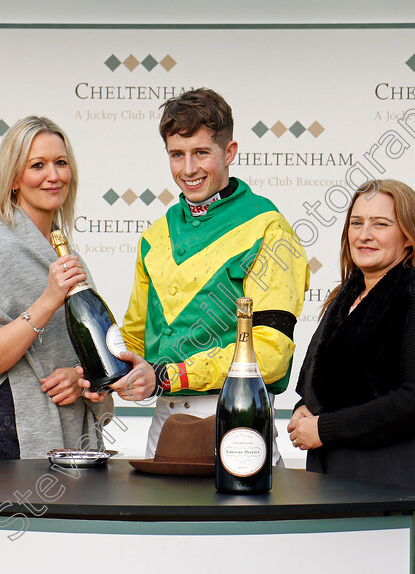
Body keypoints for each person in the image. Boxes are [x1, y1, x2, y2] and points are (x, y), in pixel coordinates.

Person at [86, 88, 309, 463]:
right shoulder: (155, 235)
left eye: (201, 153)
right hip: (165, 426)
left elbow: (269, 354)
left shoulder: (269, 228)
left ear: (230, 152)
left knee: (240, 525)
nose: (188, 169)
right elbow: (136, 338)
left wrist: (169, 376)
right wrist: (104, 375)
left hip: (237, 420)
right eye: (177, 155)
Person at [287, 179, 415, 573]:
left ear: (410, 236)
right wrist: (307, 407)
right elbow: (330, 380)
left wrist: (326, 429)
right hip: (345, 488)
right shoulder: (345, 297)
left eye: (380, 224)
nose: (365, 235)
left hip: (405, 490)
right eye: (356, 223)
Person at [0, 116, 113, 461]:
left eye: (61, 163)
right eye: (38, 165)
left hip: (69, 436)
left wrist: (79, 378)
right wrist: (48, 300)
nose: (53, 176)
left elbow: (83, 355)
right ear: (13, 180)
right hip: (12, 437)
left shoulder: (64, 250)